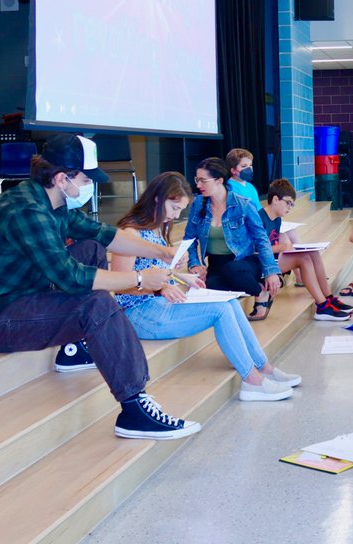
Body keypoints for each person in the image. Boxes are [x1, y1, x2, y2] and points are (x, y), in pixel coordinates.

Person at [0, 134, 201, 440]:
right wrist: (141, 280)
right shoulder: (28, 212)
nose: (91, 186)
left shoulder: (47, 199)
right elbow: (71, 278)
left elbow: (104, 234)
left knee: (91, 246)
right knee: (96, 304)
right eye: (86, 178)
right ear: (62, 178)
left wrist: (162, 252)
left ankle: (76, 348)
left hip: (16, 295)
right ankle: (134, 408)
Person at [59, 172, 301, 402]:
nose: (176, 216)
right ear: (158, 199)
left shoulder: (155, 227)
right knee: (220, 310)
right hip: (138, 312)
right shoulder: (130, 232)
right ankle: (253, 381)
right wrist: (159, 288)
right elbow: (121, 287)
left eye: (180, 210)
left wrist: (183, 278)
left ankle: (264, 367)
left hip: (157, 303)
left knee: (227, 301)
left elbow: (156, 271)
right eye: (174, 208)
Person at [183, 158, 284, 322]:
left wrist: (271, 271)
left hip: (243, 262)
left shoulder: (243, 204)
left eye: (203, 180)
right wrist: (194, 263)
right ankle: (252, 287)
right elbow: (189, 239)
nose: (198, 185)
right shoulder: (198, 204)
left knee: (231, 271)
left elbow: (262, 239)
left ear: (219, 181)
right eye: (197, 180)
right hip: (216, 263)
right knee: (211, 286)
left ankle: (261, 291)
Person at [258, 177, 353, 321]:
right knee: (303, 259)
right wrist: (284, 246)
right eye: (288, 203)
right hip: (259, 263)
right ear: (276, 199)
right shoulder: (259, 218)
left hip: (272, 261)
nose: (289, 208)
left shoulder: (276, 219)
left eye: (292, 205)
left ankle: (328, 298)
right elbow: (257, 250)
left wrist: (286, 247)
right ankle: (322, 307)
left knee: (312, 252)